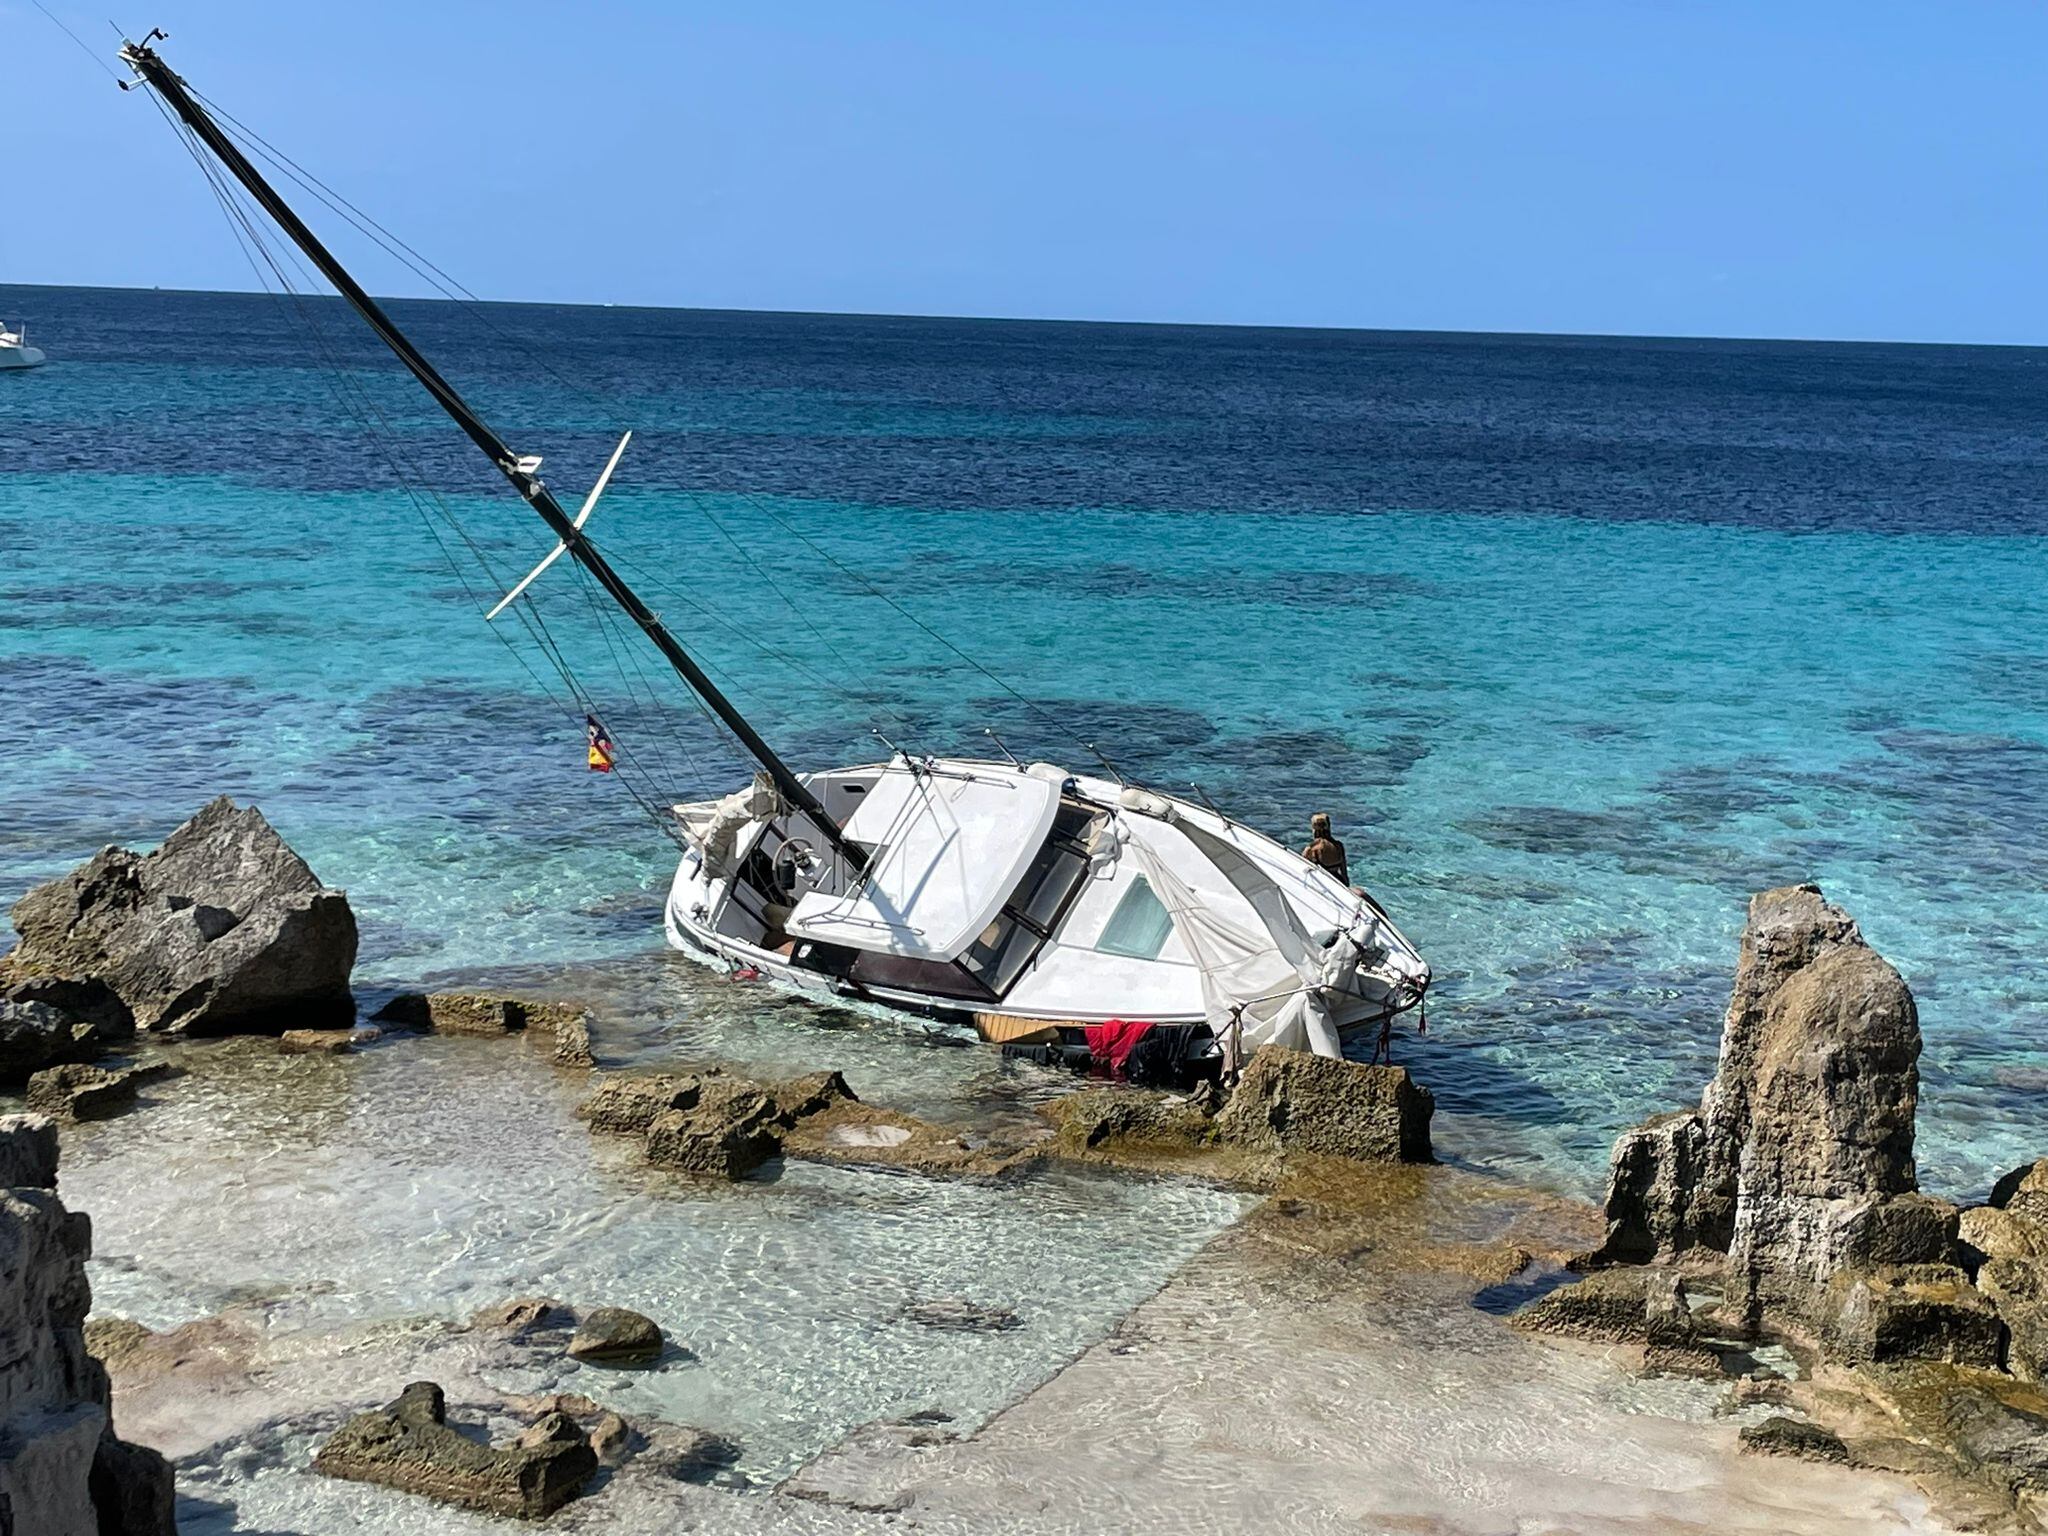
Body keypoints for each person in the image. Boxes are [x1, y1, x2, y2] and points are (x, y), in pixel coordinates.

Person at [1302, 811, 1349, 885]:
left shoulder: (1311, 849)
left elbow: (1303, 871)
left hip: (1323, 883)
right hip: (1338, 881)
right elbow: (1344, 873)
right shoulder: (1339, 846)